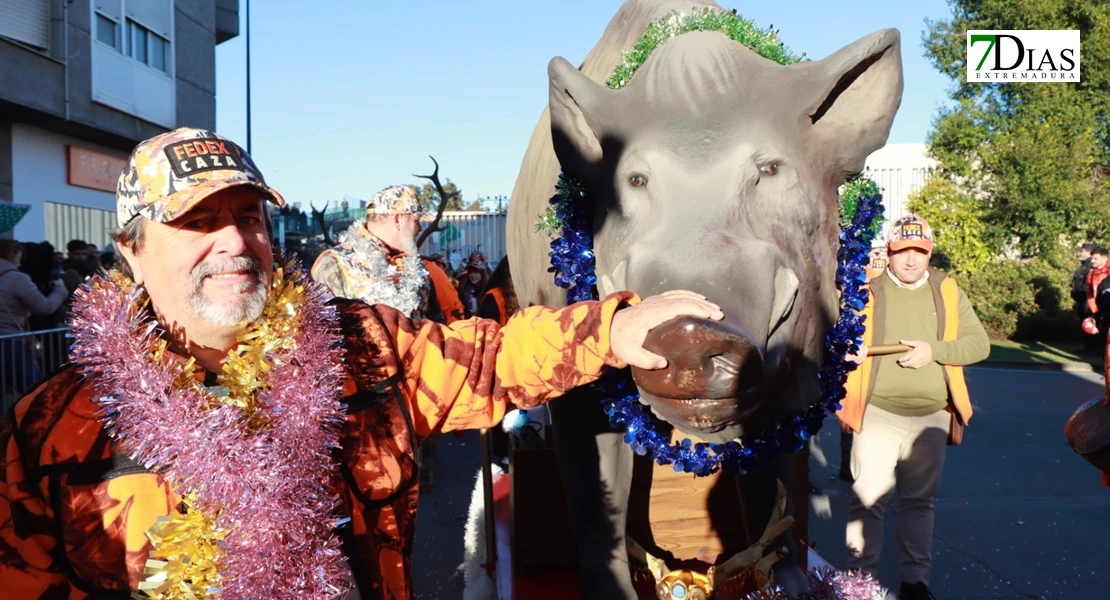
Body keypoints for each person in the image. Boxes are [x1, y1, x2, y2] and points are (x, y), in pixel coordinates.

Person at [0, 127, 722, 600]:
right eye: (197, 221)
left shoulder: (361, 344)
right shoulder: (52, 431)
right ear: (131, 250)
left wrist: (612, 329)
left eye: (248, 217)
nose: (235, 242)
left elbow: (490, 358)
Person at [839, 214, 989, 600]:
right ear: (889, 251)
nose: (910, 259)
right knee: (868, 500)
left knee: (919, 503)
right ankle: (858, 585)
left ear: (929, 253)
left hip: (932, 416)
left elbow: (979, 344)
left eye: (919, 251)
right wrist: (845, 349)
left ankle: (915, 584)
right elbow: (833, 336)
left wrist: (933, 351)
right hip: (877, 412)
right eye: (903, 250)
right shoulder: (865, 289)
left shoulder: (947, 290)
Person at [312, 184, 463, 325]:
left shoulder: (418, 269)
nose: (420, 228)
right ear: (398, 219)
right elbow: (320, 333)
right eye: (416, 221)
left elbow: (435, 325)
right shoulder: (335, 263)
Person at [0, 239, 67, 393]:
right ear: (12, 255)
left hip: (8, 339)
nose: (20, 262)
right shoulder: (17, 278)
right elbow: (45, 307)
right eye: (19, 256)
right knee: (35, 392)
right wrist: (60, 290)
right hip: (11, 342)